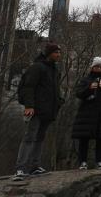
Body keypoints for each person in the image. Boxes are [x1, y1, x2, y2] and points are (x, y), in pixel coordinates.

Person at [13, 43, 63, 181]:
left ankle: (34, 166)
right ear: (49, 53)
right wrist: (29, 106)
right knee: (29, 137)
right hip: (35, 109)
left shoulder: (54, 70)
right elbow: (28, 87)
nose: (58, 55)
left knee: (40, 138)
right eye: (56, 52)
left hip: (48, 111)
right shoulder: (37, 67)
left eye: (59, 52)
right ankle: (21, 168)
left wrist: (59, 102)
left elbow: (55, 90)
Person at [72, 57, 101, 170]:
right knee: (84, 138)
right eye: (96, 66)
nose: (98, 68)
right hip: (87, 113)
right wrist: (89, 88)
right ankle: (83, 162)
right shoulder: (85, 80)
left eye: (100, 66)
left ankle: (99, 161)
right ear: (92, 67)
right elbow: (79, 93)